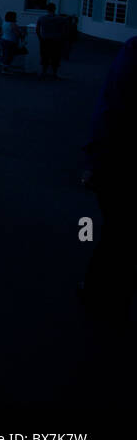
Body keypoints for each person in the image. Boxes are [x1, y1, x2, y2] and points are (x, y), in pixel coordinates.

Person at [81, 35, 137, 324]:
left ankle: (104, 298)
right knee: (121, 235)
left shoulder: (133, 51)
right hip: (122, 162)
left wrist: (95, 159)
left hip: (120, 162)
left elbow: (112, 107)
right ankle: (108, 299)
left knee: (118, 234)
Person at [35, 3, 68, 79]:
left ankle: (44, 72)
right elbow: (65, 29)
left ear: (47, 9)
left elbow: (37, 29)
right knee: (55, 56)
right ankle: (54, 73)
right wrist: (63, 38)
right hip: (56, 40)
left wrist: (40, 38)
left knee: (44, 56)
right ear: (55, 9)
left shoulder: (41, 18)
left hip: (45, 40)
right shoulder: (60, 19)